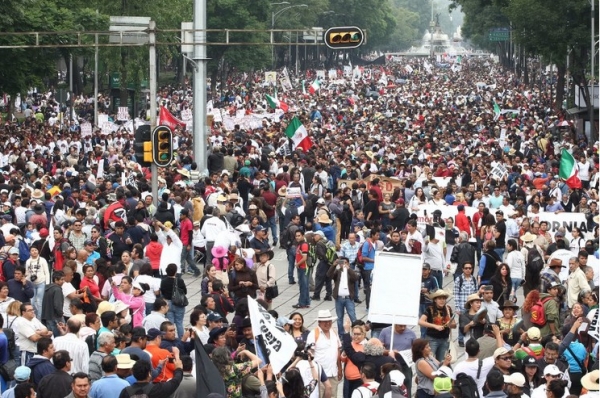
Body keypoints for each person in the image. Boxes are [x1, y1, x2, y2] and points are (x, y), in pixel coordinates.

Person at [306, 310, 342, 397]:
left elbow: (338, 351)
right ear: (319, 322)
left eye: (329, 321)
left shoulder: (334, 333)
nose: (328, 324)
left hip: (333, 373)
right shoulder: (313, 334)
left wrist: (340, 368)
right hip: (319, 375)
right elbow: (309, 354)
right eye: (325, 322)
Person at [418, 290, 456, 362]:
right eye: (440, 299)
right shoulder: (430, 309)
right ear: (435, 300)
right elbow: (420, 322)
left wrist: (450, 324)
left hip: (445, 339)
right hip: (432, 339)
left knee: (442, 361)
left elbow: (454, 325)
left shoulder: (448, 309)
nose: (442, 301)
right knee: (429, 359)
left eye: (443, 298)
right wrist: (434, 326)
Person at [118, 359, 183, 398]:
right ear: (149, 374)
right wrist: (178, 369)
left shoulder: (125, 392)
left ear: (133, 374)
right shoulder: (157, 389)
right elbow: (175, 382)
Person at [327, 257, 359, 336]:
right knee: (339, 318)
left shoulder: (351, 272)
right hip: (339, 298)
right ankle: (341, 334)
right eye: (341, 263)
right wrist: (333, 265)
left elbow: (355, 278)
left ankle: (356, 333)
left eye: (345, 263)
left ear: (348, 263)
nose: (343, 264)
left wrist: (349, 269)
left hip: (348, 298)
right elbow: (328, 275)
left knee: (353, 317)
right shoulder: (338, 272)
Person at [160, 264, 187, 338]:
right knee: (179, 322)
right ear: (175, 272)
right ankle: (182, 338)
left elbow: (162, 292)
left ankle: (171, 337)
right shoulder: (180, 281)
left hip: (168, 303)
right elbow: (185, 291)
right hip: (179, 303)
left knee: (170, 323)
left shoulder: (164, 281)